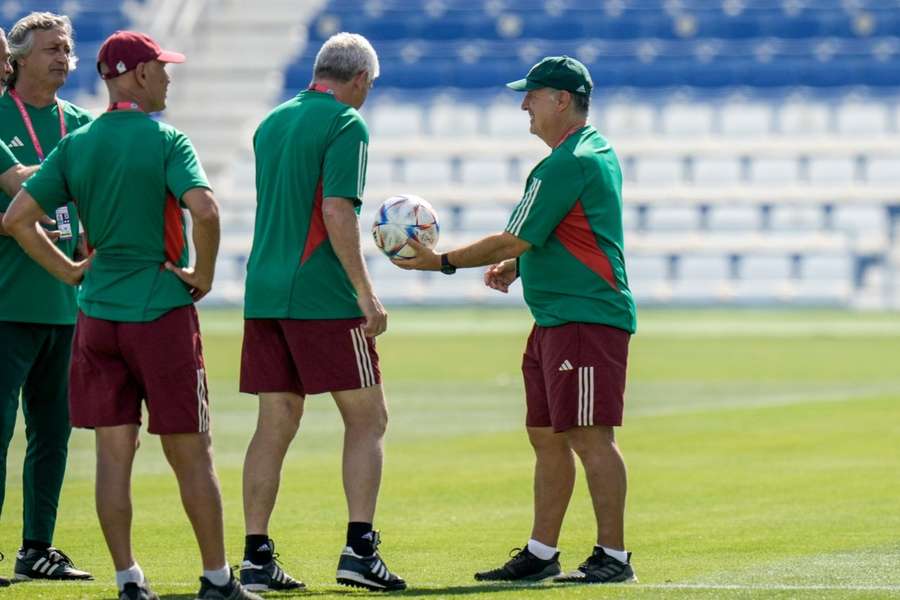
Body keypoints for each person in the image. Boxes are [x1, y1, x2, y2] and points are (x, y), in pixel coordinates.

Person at [2, 30, 262, 600]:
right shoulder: (168, 139)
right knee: (191, 450)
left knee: (113, 455)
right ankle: (218, 579)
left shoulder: (77, 144)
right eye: (162, 69)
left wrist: (70, 273)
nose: (168, 78)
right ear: (139, 75)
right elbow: (206, 210)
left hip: (95, 318)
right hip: (160, 313)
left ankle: (128, 579)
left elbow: (18, 219)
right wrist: (206, 275)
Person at [394, 56, 638, 585]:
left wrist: (442, 262)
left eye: (532, 94)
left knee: (591, 436)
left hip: (584, 317)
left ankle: (613, 558)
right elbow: (565, 232)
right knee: (547, 435)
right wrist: (521, 265)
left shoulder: (565, 163)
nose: (523, 104)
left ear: (561, 100)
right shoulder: (589, 152)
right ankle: (541, 551)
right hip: (556, 317)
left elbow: (514, 235)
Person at [239, 32, 405, 593]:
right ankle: (360, 550)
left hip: (264, 289)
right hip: (320, 293)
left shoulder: (271, 122)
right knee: (368, 418)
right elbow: (335, 210)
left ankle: (255, 556)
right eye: (370, 86)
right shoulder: (346, 124)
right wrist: (365, 291)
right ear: (359, 79)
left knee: (275, 421)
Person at [0, 14, 93, 583]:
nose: (62, 58)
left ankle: (38, 548)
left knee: (54, 433)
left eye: (67, 49)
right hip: (6, 302)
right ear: (18, 58)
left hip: (66, 302)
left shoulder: (79, 123)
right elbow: (25, 191)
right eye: (50, 50)